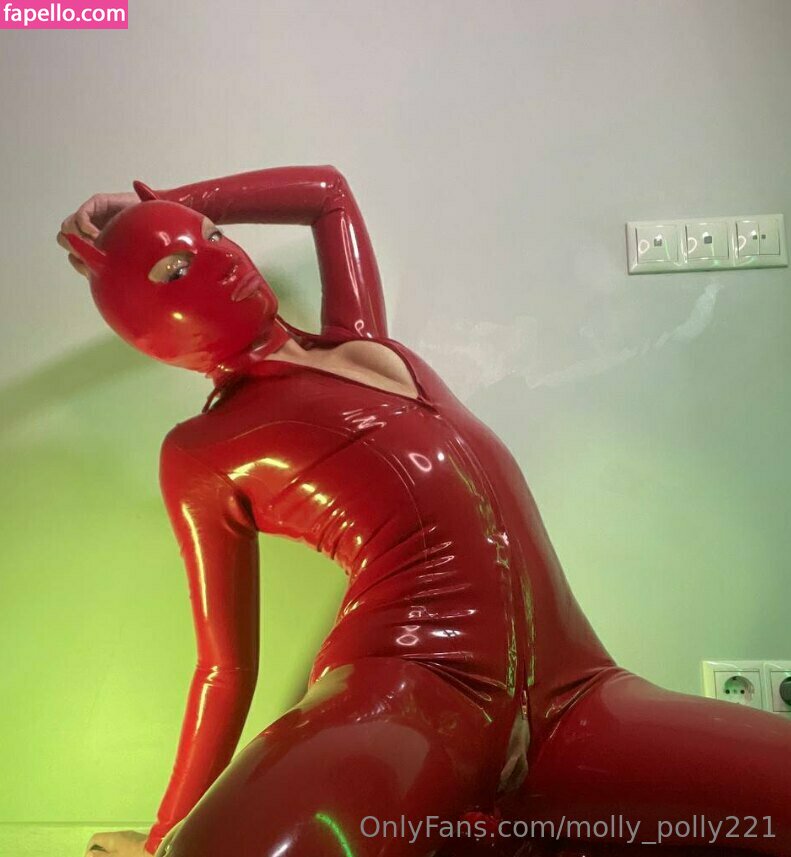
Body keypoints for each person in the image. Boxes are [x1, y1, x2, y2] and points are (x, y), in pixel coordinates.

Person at [58, 167, 791, 857]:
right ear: (142, 325)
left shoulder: (358, 340)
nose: (220, 260)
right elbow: (224, 666)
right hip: (406, 692)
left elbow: (327, 193)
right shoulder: (201, 449)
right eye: (173, 269)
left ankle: (490, 828)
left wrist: (162, 206)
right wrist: (164, 833)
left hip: (574, 692)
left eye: (214, 237)